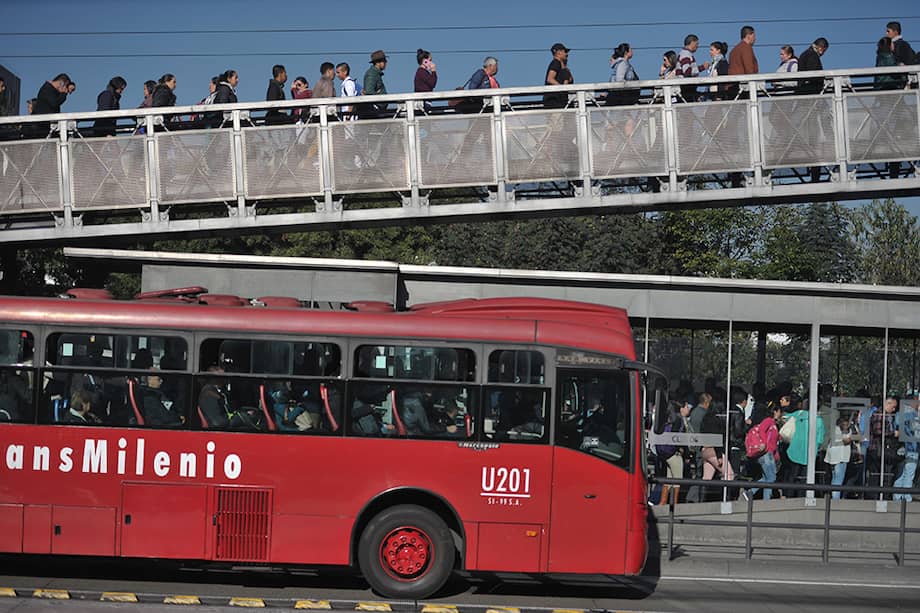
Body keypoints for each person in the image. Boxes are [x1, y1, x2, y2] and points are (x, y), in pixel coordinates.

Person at [785, 399, 826, 496]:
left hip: (795, 449)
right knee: (805, 476)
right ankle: (801, 495)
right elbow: (820, 439)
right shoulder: (819, 420)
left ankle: (789, 494)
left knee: (793, 474)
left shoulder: (798, 414)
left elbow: (785, 417)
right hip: (810, 452)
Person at [893, 394, 918, 501]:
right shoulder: (914, 415)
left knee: (902, 472)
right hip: (912, 447)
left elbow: (896, 428)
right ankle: (906, 497)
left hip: (902, 447)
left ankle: (897, 495)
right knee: (909, 472)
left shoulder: (899, 414)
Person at [825, 415, 853, 499]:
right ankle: (835, 500)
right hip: (840, 458)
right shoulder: (845, 431)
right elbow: (847, 441)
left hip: (832, 457)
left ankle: (833, 497)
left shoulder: (833, 429)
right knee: (838, 480)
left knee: (834, 478)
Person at [676, 34, 710, 102]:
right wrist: (703, 67)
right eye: (696, 44)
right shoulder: (685, 54)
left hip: (686, 87)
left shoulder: (685, 53)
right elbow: (687, 71)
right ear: (692, 43)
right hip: (685, 88)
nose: (697, 46)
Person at [544, 43, 573, 108]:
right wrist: (562, 88)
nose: (567, 54)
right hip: (554, 100)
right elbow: (550, 79)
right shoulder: (556, 63)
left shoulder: (564, 69)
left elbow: (568, 82)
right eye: (565, 52)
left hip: (561, 101)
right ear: (558, 52)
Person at [362, 50, 389, 117]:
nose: (386, 62)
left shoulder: (375, 74)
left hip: (377, 111)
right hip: (375, 112)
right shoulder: (372, 74)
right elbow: (369, 92)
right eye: (384, 61)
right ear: (377, 63)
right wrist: (380, 99)